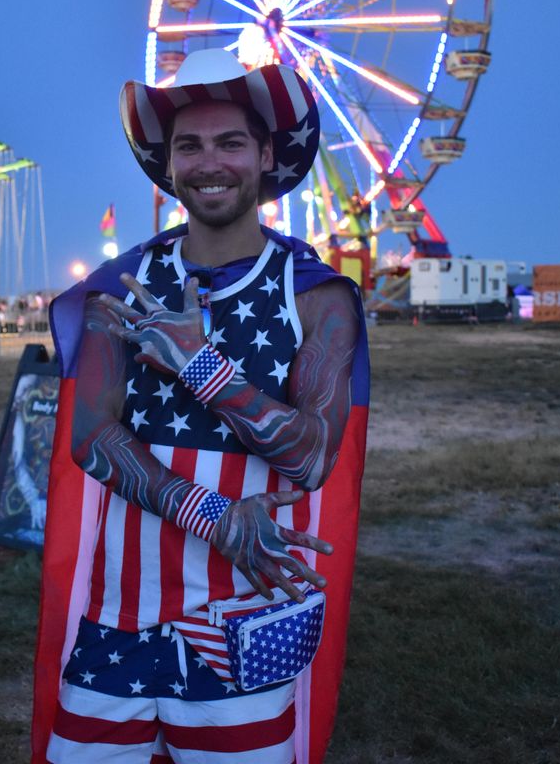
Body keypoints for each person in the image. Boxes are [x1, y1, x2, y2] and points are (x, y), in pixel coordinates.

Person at [31, 49, 370, 764]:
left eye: (229, 142)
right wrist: (213, 515)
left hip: (242, 624)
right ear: (168, 163)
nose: (208, 161)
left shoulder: (316, 295)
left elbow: (311, 457)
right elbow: (91, 438)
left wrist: (202, 367)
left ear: (266, 155)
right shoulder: (122, 287)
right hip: (114, 621)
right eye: (189, 144)